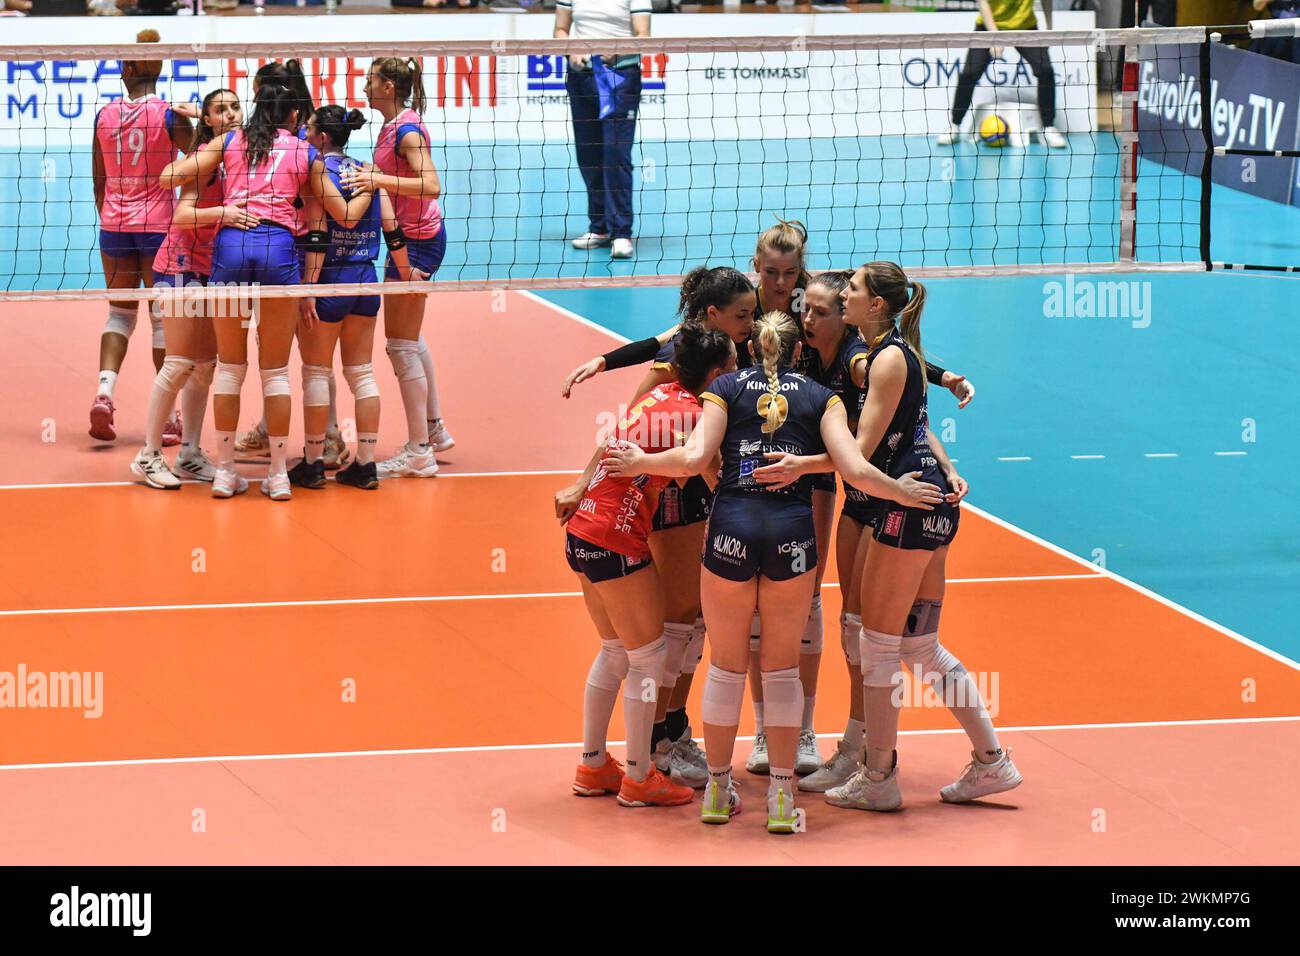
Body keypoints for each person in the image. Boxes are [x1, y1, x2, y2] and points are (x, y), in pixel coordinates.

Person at [602, 311, 943, 833]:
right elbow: (853, 468)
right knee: (782, 669)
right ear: (798, 351)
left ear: (752, 348)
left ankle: (718, 788)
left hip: (732, 528)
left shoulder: (726, 387)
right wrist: (902, 490)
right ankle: (783, 797)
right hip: (791, 534)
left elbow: (694, 458)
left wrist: (639, 462)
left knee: (726, 666)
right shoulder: (820, 395)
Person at [821, 262, 1022, 810]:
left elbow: (857, 453)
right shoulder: (896, 353)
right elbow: (915, 427)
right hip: (930, 501)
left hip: (907, 504)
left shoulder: (888, 359)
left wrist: (797, 464)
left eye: (854, 290)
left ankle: (878, 777)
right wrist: (948, 467)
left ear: (878, 305)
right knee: (919, 646)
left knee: (879, 645)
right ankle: (992, 762)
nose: (845, 296)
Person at [556, 266, 757, 788]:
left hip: (582, 533)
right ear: (715, 374)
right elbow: (702, 469)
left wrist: (590, 481)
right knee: (649, 656)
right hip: (616, 540)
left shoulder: (656, 398)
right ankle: (643, 774)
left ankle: (594, 764)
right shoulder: (696, 415)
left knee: (618, 650)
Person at [160, 82, 374, 500]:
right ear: (294, 117)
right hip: (278, 253)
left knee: (229, 368)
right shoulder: (303, 150)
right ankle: (277, 475)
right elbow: (331, 220)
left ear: (256, 109)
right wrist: (370, 186)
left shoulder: (229, 141)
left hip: (232, 248)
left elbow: (170, 176)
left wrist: (215, 191)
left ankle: (224, 473)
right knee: (274, 372)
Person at [131, 88, 251, 490]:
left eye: (236, 107)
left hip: (211, 270)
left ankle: (189, 451)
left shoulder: (242, 155)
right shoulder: (204, 161)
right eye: (222, 109)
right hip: (179, 267)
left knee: (205, 368)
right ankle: (147, 455)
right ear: (208, 120)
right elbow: (182, 214)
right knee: (179, 362)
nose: (232, 114)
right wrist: (225, 213)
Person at [341, 57, 453, 479]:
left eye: (371, 81)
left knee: (400, 345)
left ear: (388, 86)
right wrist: (375, 173)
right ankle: (434, 429)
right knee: (410, 339)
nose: (365, 87)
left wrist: (378, 181)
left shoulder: (407, 129)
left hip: (418, 242)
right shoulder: (392, 125)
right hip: (410, 237)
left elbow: (431, 184)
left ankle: (419, 452)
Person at [293, 105, 412, 491]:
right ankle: (365, 464)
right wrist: (406, 270)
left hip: (330, 281)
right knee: (361, 373)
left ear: (322, 137)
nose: (305, 134)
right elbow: (392, 229)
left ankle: (312, 462)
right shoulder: (367, 171)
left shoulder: (317, 171)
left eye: (309, 129)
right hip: (365, 281)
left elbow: (318, 233)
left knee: (316, 371)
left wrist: (309, 288)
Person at [89, 29, 193, 444]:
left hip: (114, 227)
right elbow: (205, 157)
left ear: (128, 68)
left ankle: (103, 393)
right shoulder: (170, 115)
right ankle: (168, 419)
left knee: (119, 314)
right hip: (158, 228)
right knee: (160, 319)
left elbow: (98, 182)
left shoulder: (105, 115)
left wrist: (112, 218)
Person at [554, 0, 651, 260]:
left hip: (619, 77)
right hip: (580, 77)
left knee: (616, 154)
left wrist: (619, 51)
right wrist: (570, 51)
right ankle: (599, 228)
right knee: (588, 154)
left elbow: (643, 35)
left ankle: (621, 232)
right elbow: (560, 29)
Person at [938, 0, 1068, 149]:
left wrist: (1050, 27)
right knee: (969, 74)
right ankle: (954, 126)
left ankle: (1049, 128)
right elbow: (983, 3)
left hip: (1025, 27)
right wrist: (995, 38)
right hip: (988, 28)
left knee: (1045, 70)